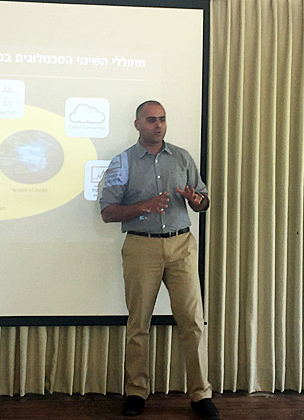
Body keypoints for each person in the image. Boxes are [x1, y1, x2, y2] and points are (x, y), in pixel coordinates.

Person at [100, 100, 219, 420]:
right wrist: (144, 206)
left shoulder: (182, 157)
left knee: (193, 321)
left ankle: (201, 395)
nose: (158, 125)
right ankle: (136, 392)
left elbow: (203, 201)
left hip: (181, 245)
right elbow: (108, 212)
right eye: (152, 120)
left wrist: (197, 200)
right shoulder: (122, 162)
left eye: (162, 119)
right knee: (139, 323)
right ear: (137, 124)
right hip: (142, 247)